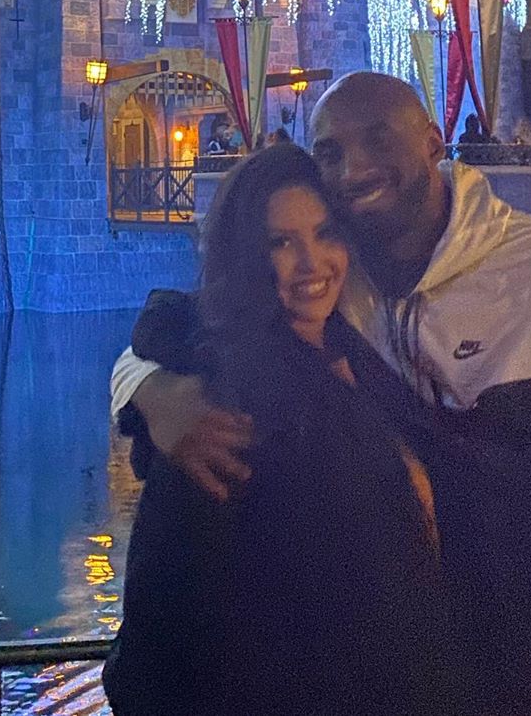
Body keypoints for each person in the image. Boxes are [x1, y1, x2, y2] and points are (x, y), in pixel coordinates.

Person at [111, 72, 531, 713]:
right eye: (331, 153)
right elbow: (191, 323)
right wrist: (150, 390)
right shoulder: (342, 291)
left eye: (378, 138)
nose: (354, 168)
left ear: (435, 142)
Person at [103, 143, 463, 716]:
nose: (312, 262)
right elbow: (158, 650)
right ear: (247, 255)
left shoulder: (355, 348)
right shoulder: (224, 409)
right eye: (281, 242)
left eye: (325, 233)